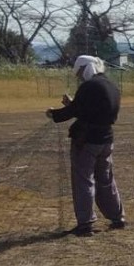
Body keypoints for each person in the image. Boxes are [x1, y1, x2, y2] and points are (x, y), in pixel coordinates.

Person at [48, 55, 125, 236]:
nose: (79, 77)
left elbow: (75, 111)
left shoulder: (88, 87)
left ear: (85, 68)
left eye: (80, 72)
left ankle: (85, 223)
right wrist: (73, 104)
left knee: (83, 180)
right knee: (106, 179)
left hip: (86, 140)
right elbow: (92, 110)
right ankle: (117, 217)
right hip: (106, 139)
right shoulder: (111, 86)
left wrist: (54, 114)